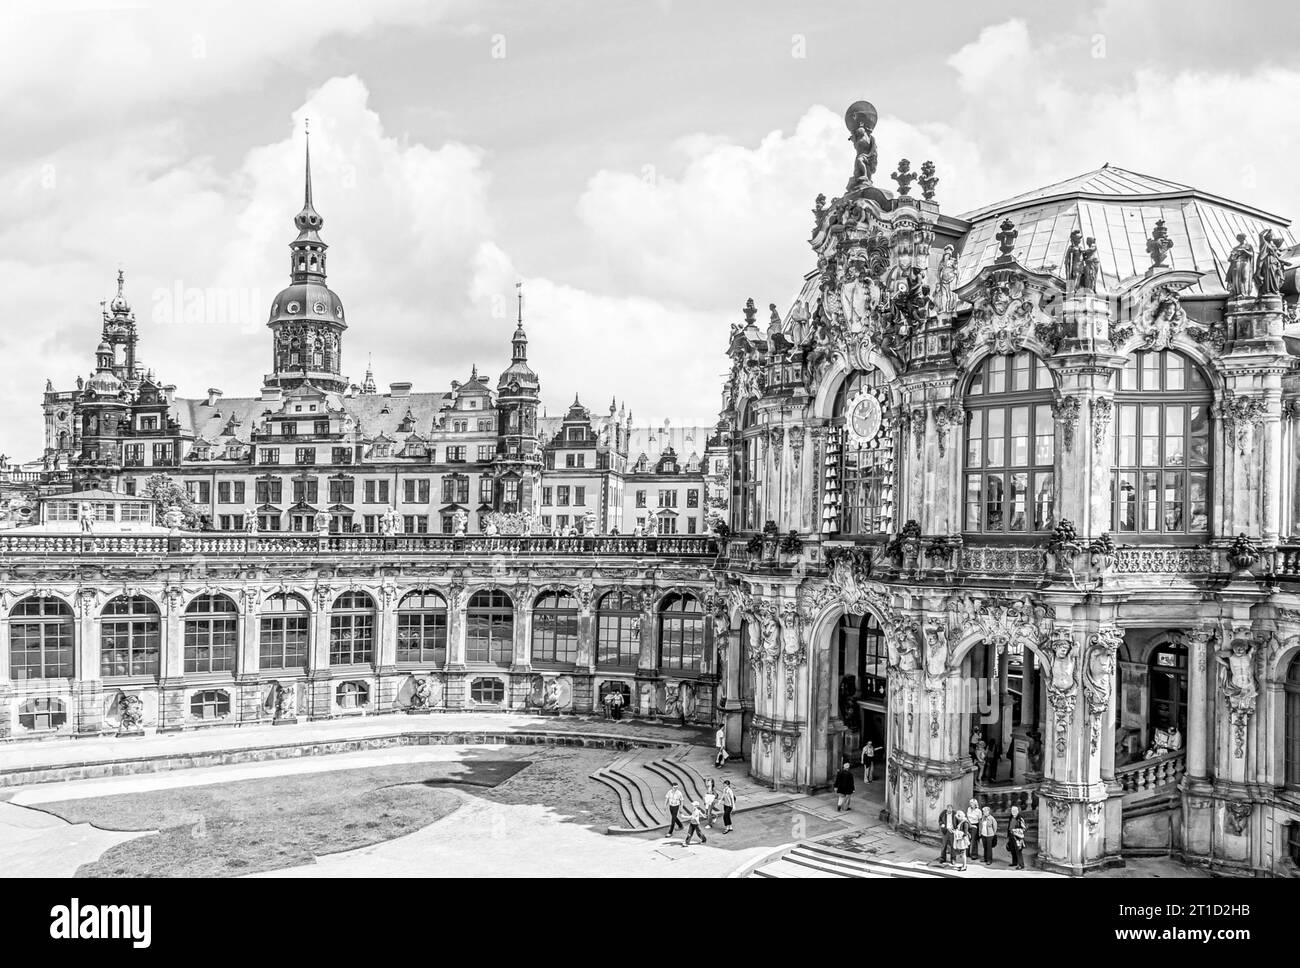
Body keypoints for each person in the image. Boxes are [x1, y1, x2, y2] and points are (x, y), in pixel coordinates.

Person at [1007, 805, 1026, 870]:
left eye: (1015, 811)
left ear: (1017, 811)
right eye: (1012, 811)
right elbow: (1009, 826)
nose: (1013, 812)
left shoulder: (1020, 819)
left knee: (1018, 850)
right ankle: (1014, 862)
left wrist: (1015, 830)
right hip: (1011, 835)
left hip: (1017, 837)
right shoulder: (1011, 817)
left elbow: (1023, 828)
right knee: (1012, 850)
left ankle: (1021, 865)